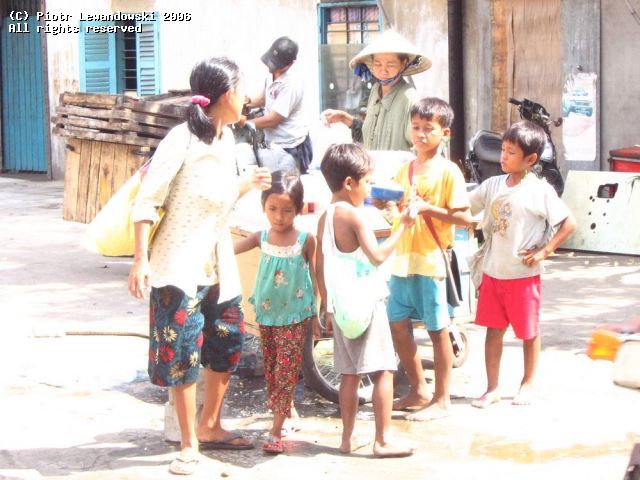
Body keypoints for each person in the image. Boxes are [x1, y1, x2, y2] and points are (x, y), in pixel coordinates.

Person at [128, 57, 272, 476]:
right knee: (182, 353)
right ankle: (189, 443)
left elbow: (217, 198)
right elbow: (147, 201)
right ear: (227, 95)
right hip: (178, 265)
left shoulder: (226, 139)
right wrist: (140, 261)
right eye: (243, 91)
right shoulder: (181, 139)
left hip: (218, 262)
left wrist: (246, 186)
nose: (247, 98)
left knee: (227, 342)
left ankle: (211, 425)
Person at [469, 120, 576, 409]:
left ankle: (528, 383)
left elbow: (569, 223)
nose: (503, 156)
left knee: (528, 332)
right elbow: (465, 207)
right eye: (503, 150)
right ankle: (492, 388)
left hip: (523, 276)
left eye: (511, 152)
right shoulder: (492, 185)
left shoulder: (540, 190)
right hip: (493, 272)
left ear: (530, 159)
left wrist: (545, 251)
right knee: (493, 331)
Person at [316, 143, 414, 458]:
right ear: (349, 183)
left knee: (350, 374)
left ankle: (347, 438)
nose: (370, 189)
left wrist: (325, 304)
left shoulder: (326, 216)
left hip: (341, 307)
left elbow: (319, 263)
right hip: (366, 305)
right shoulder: (355, 217)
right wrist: (403, 227)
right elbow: (377, 256)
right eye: (368, 182)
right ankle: (382, 440)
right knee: (384, 370)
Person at [384, 98, 471, 421]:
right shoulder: (405, 169)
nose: (420, 134)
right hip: (402, 260)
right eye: (416, 127)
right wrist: (387, 206)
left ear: (444, 133)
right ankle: (418, 389)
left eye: (428, 129)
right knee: (397, 325)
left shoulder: (449, 171)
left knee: (437, 329)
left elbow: (464, 218)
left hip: (432, 261)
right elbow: (395, 207)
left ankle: (442, 398)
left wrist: (428, 208)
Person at [233, 170, 320, 454]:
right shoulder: (261, 237)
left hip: (295, 316)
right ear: (263, 207)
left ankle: (275, 429)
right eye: (272, 209)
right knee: (272, 367)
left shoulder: (305, 240)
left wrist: (318, 312)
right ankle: (288, 411)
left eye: (287, 210)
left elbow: (317, 276)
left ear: (299, 209)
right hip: (266, 314)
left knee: (285, 369)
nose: (279, 217)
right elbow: (229, 251)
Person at [320, 29, 431, 152]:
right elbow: (370, 137)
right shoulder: (375, 91)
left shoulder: (410, 100)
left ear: (404, 63)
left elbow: (422, 149)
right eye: (378, 64)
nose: (383, 71)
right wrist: (343, 118)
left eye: (390, 65)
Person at [244, 36, 313, 173]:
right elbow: (264, 98)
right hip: (274, 143)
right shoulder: (272, 73)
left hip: (292, 147)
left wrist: (245, 123)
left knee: (289, 185)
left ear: (291, 63)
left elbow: (273, 120)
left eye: (276, 65)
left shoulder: (292, 83)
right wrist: (245, 101)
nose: (271, 68)